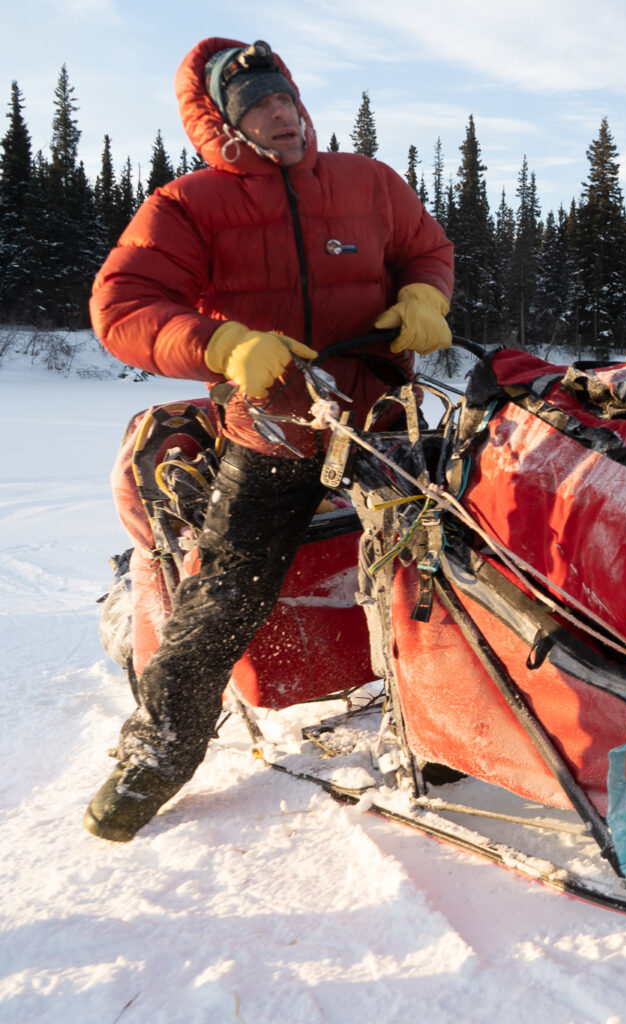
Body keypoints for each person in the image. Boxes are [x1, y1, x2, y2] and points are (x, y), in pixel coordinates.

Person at [84, 37, 454, 841]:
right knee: (227, 591)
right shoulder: (187, 206)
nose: (281, 115)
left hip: (384, 417)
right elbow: (122, 306)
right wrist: (219, 346)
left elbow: (426, 246)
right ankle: (159, 750)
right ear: (222, 122)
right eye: (257, 105)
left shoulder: (369, 183)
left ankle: (453, 717)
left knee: (450, 563)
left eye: (285, 97)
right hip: (278, 425)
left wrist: (425, 292)